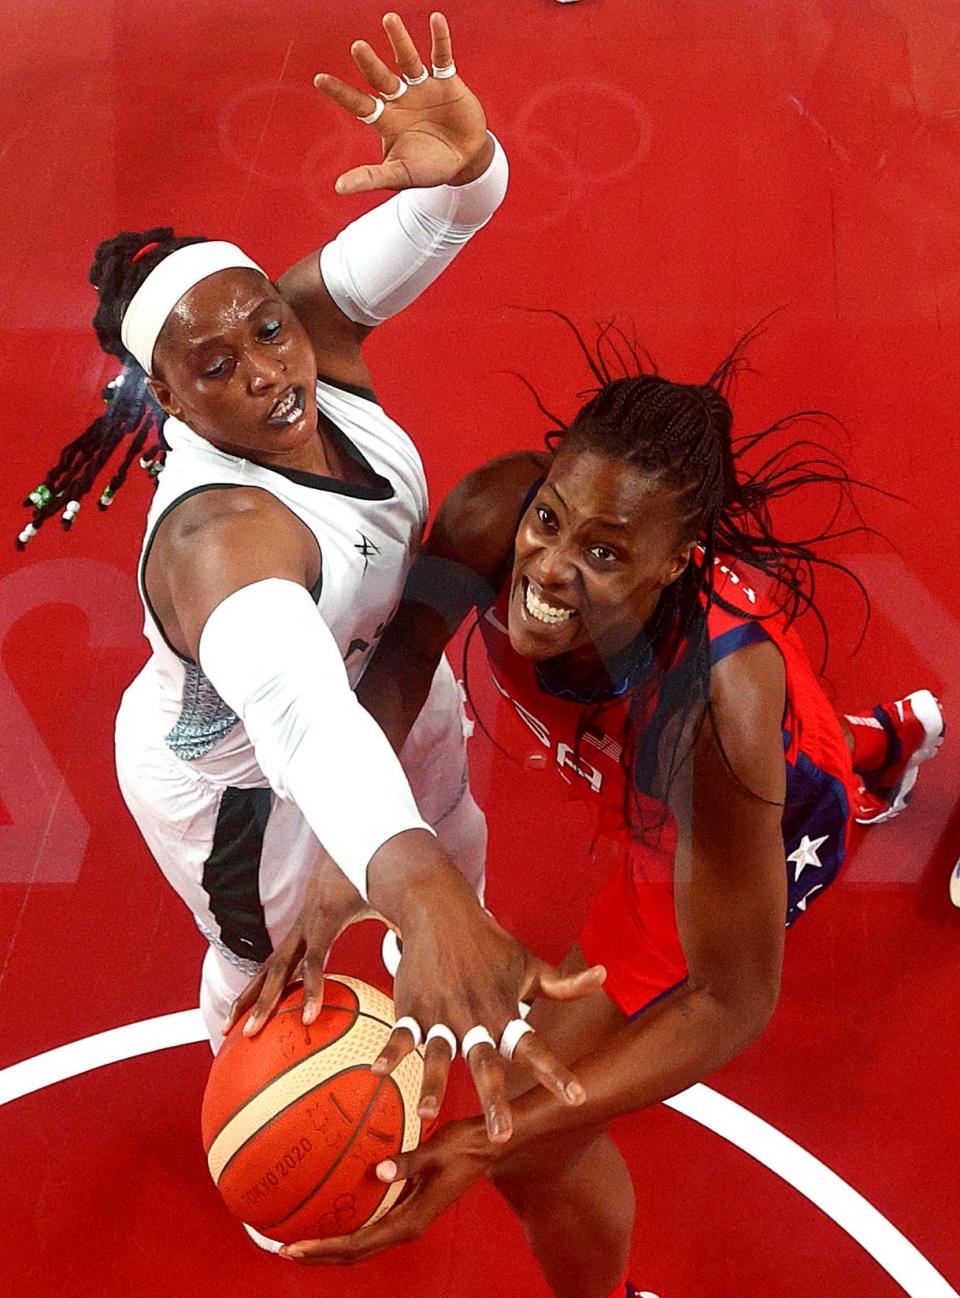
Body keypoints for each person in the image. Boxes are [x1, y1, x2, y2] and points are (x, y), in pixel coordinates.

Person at [239, 324, 944, 1295]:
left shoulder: (712, 720)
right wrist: (338, 859)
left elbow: (731, 998)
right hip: (680, 734)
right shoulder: (494, 514)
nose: (550, 566)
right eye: (554, 517)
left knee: (531, 1139)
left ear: (673, 564)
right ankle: (881, 741)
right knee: (770, 727)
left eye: (604, 550)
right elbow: (402, 659)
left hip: (745, 803)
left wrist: (498, 1141)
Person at [17, 12, 604, 1149]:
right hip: (240, 780)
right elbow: (302, 722)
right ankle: (265, 1138)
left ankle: (448, 967)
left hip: (382, 666)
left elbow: (456, 206)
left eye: (268, 329)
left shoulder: (312, 336)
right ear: (170, 403)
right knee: (269, 962)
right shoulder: (217, 536)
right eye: (216, 368)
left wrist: (468, 159)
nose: (270, 371)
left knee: (451, 827)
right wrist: (407, 883)